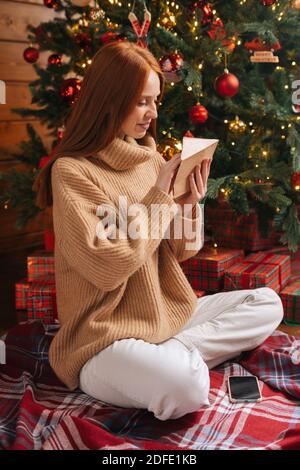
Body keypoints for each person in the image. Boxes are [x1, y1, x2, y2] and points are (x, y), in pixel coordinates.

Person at [32, 41, 284, 421]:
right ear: (109, 100)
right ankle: (171, 360)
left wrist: (187, 205)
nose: (152, 113)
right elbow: (111, 267)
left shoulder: (150, 159)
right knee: (187, 387)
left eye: (155, 100)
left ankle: (175, 349)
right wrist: (158, 200)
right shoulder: (72, 172)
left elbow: (180, 252)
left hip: (166, 318)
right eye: (141, 102)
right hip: (103, 339)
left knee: (267, 304)